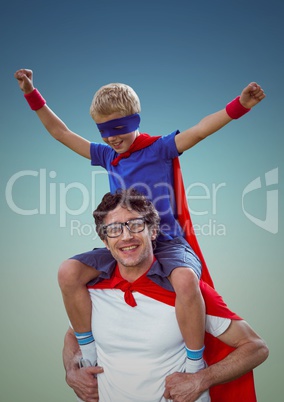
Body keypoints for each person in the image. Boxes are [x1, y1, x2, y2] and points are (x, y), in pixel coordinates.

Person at [14, 69, 265, 391]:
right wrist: (30, 93)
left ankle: (194, 360)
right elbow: (61, 133)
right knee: (70, 272)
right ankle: (88, 349)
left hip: (168, 243)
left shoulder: (159, 149)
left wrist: (239, 106)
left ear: (134, 121)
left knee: (187, 280)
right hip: (123, 240)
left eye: (118, 128)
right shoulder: (107, 156)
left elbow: (200, 131)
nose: (111, 138)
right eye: (103, 131)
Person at [62, 189, 269, 402]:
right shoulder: (93, 289)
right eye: (114, 229)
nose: (126, 236)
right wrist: (72, 369)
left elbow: (256, 347)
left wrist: (201, 379)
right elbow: (72, 335)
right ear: (105, 242)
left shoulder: (186, 292)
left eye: (135, 225)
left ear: (152, 232)